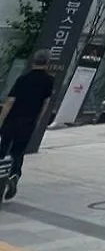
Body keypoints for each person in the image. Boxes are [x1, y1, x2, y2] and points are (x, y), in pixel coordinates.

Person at [0, 51, 55, 200]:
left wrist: (1, 120)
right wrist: (37, 121)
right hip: (29, 121)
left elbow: (10, 101)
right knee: (18, 151)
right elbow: (45, 104)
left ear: (33, 61)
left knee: (3, 150)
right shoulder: (49, 81)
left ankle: (2, 178)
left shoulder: (23, 79)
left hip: (12, 120)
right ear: (47, 63)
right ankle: (14, 174)